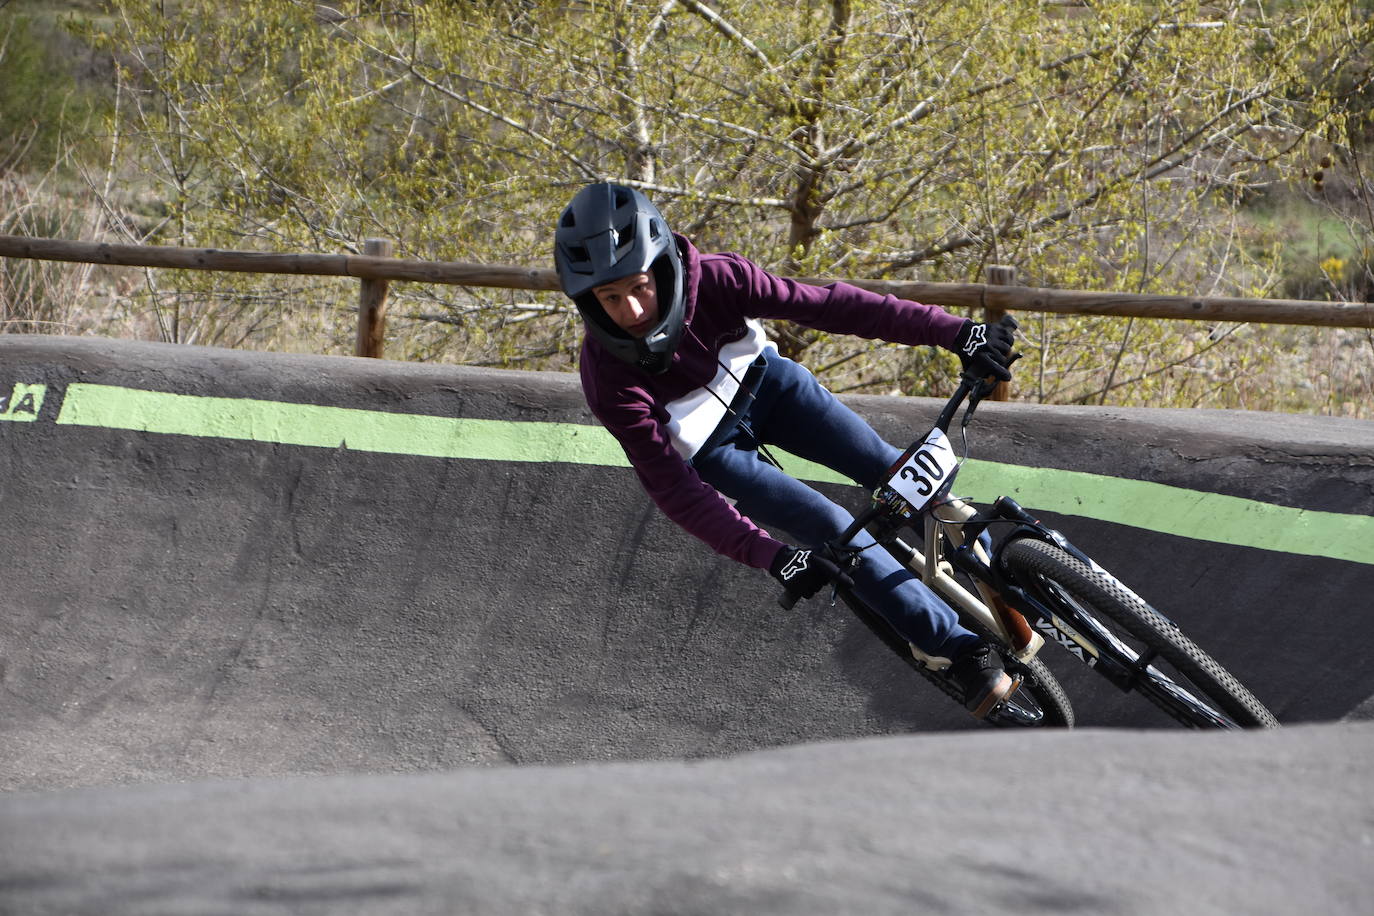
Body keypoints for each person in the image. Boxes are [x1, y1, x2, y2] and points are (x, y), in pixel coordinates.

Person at [554, 181, 1019, 719]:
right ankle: (963, 652)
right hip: (715, 448)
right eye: (610, 299)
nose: (631, 309)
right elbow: (675, 491)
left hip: (773, 387)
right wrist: (772, 557)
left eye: (638, 286)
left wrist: (955, 332)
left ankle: (1004, 580)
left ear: (661, 265)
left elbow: (834, 308)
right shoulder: (607, 379)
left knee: (897, 471)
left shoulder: (720, 279)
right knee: (831, 528)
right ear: (588, 301)